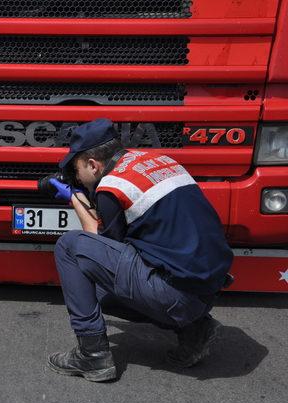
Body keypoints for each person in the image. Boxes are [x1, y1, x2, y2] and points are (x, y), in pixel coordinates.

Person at [48, 118, 233, 382]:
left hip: (177, 294)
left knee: (69, 247)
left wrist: (74, 198)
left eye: (76, 170)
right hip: (207, 289)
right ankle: (195, 329)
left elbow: (97, 243)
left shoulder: (112, 187)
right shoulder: (157, 161)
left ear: (92, 164)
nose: (76, 177)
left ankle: (92, 355)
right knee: (98, 291)